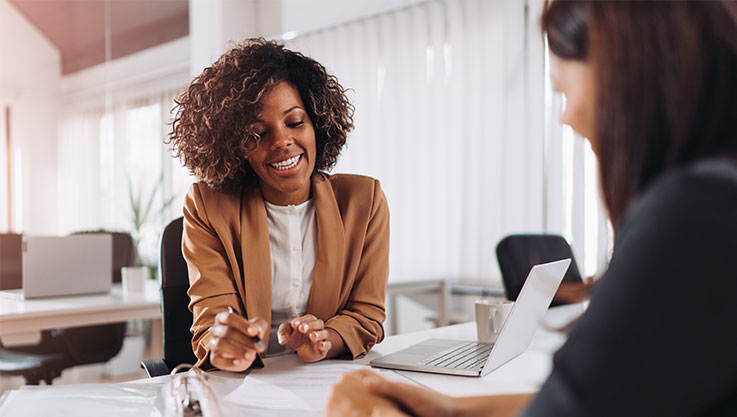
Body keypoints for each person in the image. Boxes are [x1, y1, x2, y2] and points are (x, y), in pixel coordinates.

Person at [326, 1, 737, 416]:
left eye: (563, 90)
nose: (566, 116)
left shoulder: (690, 218)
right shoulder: (714, 199)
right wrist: (453, 411)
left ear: (627, 76)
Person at [167, 39, 390, 371]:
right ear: (234, 147)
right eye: (256, 134)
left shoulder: (364, 201)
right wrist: (226, 344)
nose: (282, 142)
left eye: (295, 122)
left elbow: (366, 315)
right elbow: (212, 319)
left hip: (325, 382)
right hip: (242, 388)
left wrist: (326, 340)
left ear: (317, 122)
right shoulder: (207, 205)